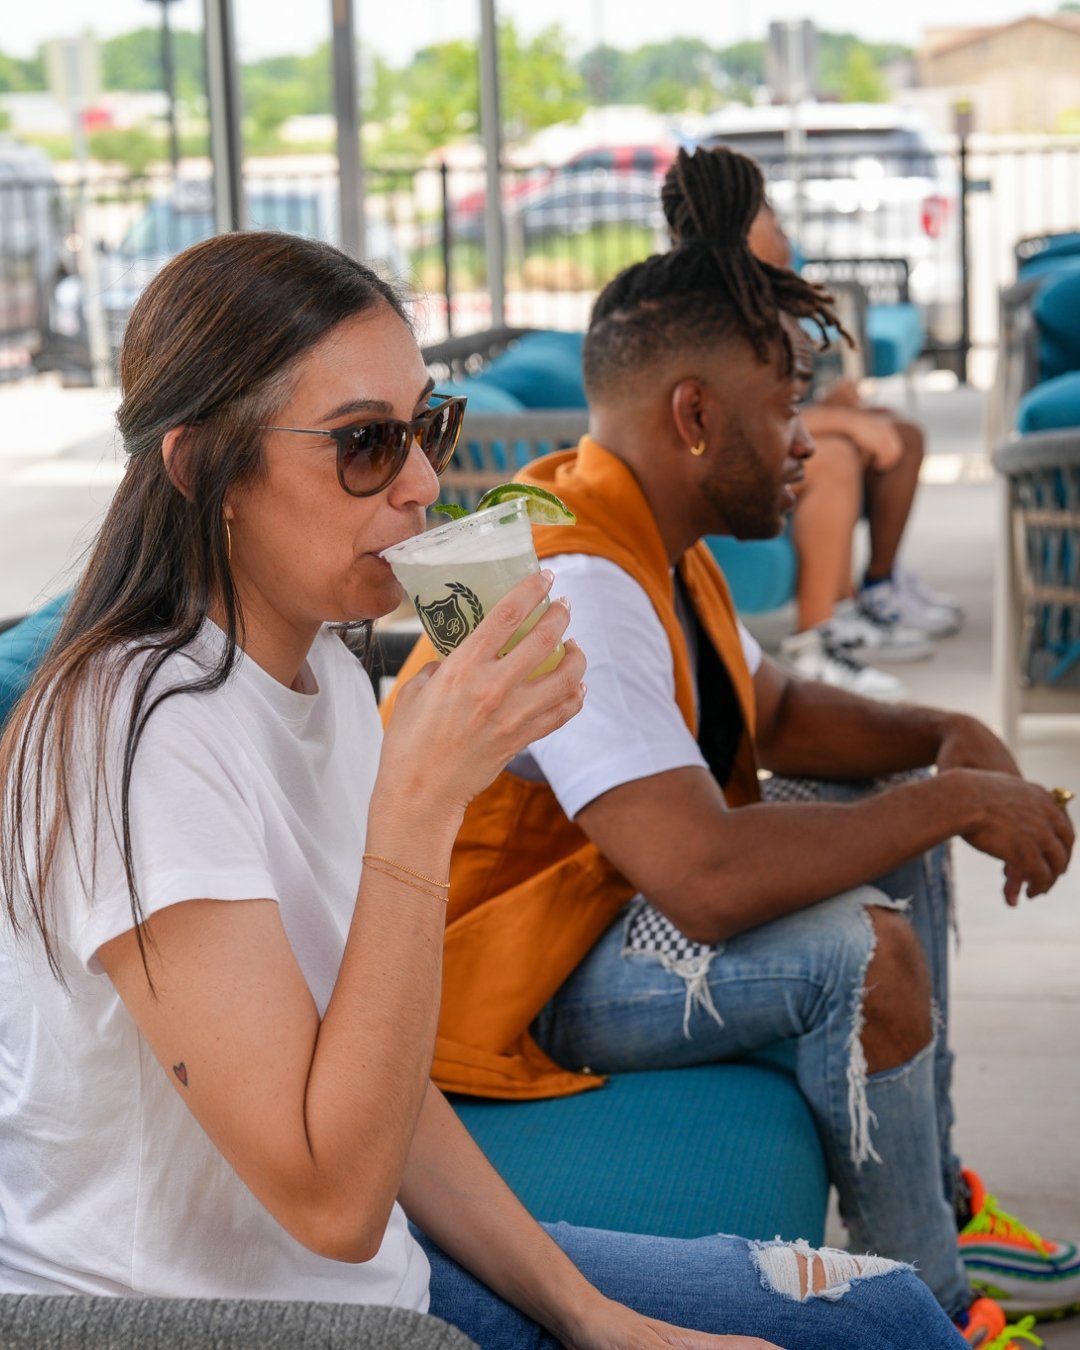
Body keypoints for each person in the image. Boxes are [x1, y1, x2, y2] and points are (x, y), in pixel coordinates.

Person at [0, 230, 961, 1350]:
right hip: (205, 1317)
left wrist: (590, 1314)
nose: (422, 483)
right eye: (365, 444)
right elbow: (334, 1203)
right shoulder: (134, 738)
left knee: (884, 1313)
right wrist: (420, 807)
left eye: (427, 426)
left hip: (370, 1283)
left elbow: (391, 1096)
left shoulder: (318, 670)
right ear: (201, 466)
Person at [386, 152, 1078, 1349]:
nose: (808, 439)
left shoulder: (642, 525)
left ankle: (941, 1202)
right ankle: (931, 1304)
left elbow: (779, 714)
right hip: (494, 971)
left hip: (581, 908)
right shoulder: (576, 578)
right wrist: (955, 794)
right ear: (695, 416)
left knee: (891, 806)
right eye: (786, 403)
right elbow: (701, 882)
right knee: (861, 952)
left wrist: (941, 739)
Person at [740, 185, 962, 694]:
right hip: (732, 460)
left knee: (897, 431)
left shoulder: (768, 297)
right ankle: (815, 642)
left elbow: (777, 400)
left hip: (763, 443)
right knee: (835, 455)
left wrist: (834, 409)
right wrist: (838, 424)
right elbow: (747, 419)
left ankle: (874, 591)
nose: (785, 236)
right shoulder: (719, 309)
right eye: (773, 225)